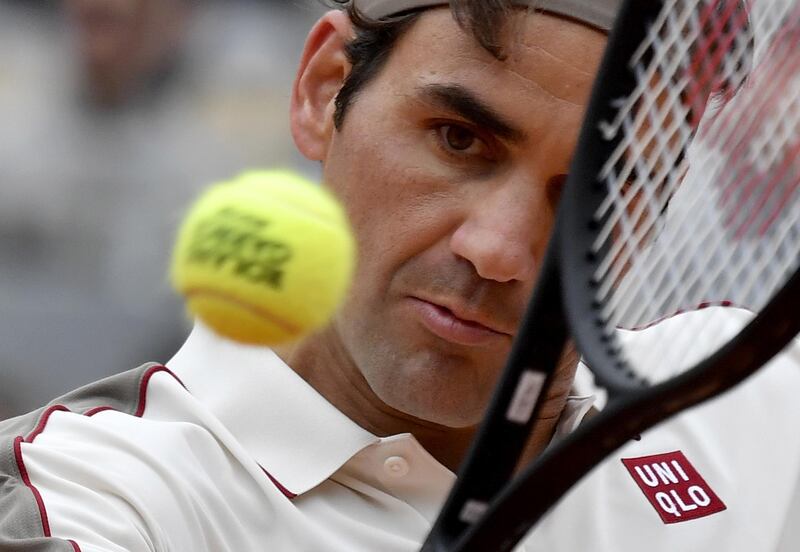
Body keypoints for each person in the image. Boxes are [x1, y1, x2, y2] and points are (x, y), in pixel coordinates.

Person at [0, 1, 798, 551]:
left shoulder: (756, 399)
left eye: (597, 186)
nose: (500, 250)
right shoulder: (81, 495)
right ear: (323, 90)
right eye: (458, 139)